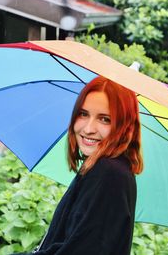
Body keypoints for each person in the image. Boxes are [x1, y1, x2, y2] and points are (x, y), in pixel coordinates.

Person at [12, 76, 143, 255]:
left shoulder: (110, 174)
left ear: (124, 125)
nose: (88, 128)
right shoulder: (101, 168)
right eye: (83, 114)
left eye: (105, 119)